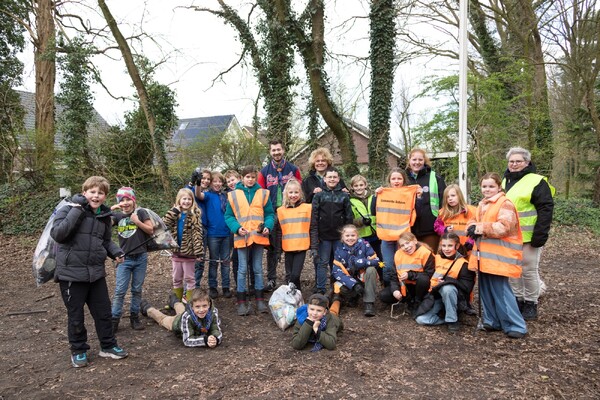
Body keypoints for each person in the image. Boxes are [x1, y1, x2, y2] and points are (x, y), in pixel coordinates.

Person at [50, 176, 128, 368]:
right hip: (71, 274)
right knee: (76, 315)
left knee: (103, 312)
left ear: (105, 196)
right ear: (84, 192)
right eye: (92, 192)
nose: (96, 196)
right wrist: (77, 210)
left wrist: (116, 252)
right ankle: (78, 350)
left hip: (96, 273)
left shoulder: (104, 215)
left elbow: (105, 240)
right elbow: (59, 234)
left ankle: (108, 346)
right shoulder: (67, 209)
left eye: (100, 193)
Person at [467, 172, 527, 339]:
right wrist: (472, 226)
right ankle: (492, 320)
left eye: (491, 186)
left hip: (500, 256)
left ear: (499, 187)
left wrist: (479, 228)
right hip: (484, 255)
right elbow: (472, 219)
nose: (487, 189)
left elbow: (504, 227)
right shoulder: (482, 204)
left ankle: (515, 325)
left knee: (501, 290)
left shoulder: (505, 203)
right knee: (486, 289)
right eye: (484, 186)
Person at [502, 147, 555, 320]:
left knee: (529, 270)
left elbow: (545, 208)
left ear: (527, 162)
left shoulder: (537, 181)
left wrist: (540, 235)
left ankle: (531, 303)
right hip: (509, 235)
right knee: (514, 270)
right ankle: (518, 299)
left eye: (518, 161)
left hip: (529, 236)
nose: (514, 164)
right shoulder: (504, 181)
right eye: (511, 161)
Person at [225, 165, 275, 316]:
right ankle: (241, 300)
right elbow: (228, 216)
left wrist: (268, 226)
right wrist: (237, 228)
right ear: (242, 178)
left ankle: (259, 299)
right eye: (248, 177)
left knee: (258, 268)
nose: (250, 179)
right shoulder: (233, 195)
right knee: (242, 269)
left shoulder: (263, 193)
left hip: (258, 237)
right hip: (242, 237)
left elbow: (270, 214)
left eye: (253, 177)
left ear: (256, 177)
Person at [258, 139, 302, 292]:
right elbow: (260, 194)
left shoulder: (293, 169)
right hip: (272, 213)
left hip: (290, 212)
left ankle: (291, 279)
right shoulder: (264, 172)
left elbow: (299, 189)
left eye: (278, 149)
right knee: (273, 249)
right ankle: (271, 279)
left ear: (283, 150)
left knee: (290, 246)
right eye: (273, 150)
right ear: (270, 152)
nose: (276, 152)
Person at [109, 187, 154, 333]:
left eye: (128, 199)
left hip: (140, 257)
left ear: (133, 200)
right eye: (122, 200)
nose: (125, 203)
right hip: (124, 259)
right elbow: (102, 224)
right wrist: (110, 210)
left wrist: (136, 221)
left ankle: (134, 317)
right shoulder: (116, 216)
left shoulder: (140, 212)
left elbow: (150, 229)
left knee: (136, 289)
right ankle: (114, 319)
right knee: (120, 291)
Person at [415, 233, 475, 332]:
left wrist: (447, 281)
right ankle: (445, 319)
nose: (446, 249)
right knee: (421, 320)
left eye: (450, 246)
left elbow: (467, 288)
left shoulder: (464, 264)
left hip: (455, 298)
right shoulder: (437, 258)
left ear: (457, 246)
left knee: (447, 288)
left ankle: (452, 320)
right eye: (444, 245)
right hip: (435, 296)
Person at [371, 168, 420, 286]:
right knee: (387, 264)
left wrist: (418, 196)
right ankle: (389, 288)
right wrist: (375, 196)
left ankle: (404, 288)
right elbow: (374, 212)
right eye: (393, 178)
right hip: (386, 236)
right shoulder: (382, 193)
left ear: (404, 180)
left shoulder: (409, 194)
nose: (396, 181)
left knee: (402, 264)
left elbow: (416, 211)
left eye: (399, 178)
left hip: (403, 237)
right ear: (389, 180)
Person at [309, 167, 354, 295]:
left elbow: (348, 217)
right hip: (324, 237)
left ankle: (337, 288)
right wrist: (315, 238)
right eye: (330, 177)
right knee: (322, 263)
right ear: (325, 179)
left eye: (335, 177)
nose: (332, 179)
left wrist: (348, 236)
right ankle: (321, 289)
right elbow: (314, 218)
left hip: (339, 237)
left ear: (338, 179)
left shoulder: (344, 196)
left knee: (338, 263)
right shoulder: (318, 195)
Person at [140, 289, 222, 348]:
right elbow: (187, 340)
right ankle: (147, 308)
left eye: (204, 306)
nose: (201, 310)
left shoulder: (213, 312)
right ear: (192, 307)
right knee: (162, 318)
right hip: (176, 323)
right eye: (197, 306)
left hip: (185, 315)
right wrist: (205, 340)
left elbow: (216, 329)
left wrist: (215, 339)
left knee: (181, 311)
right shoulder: (187, 316)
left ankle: (174, 300)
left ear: (209, 304)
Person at [163, 188, 205, 303]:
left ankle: (189, 300)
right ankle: (176, 300)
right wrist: (174, 211)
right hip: (176, 252)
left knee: (190, 278)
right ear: (179, 200)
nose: (186, 201)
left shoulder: (194, 215)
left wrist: (198, 252)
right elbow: (164, 224)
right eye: (184, 199)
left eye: (189, 199)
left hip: (189, 254)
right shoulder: (175, 214)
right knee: (176, 278)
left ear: (192, 201)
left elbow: (197, 234)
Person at [380, 232, 435, 317]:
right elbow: (394, 276)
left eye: (407, 243)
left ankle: (418, 301)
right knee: (383, 295)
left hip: (420, 287)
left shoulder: (425, 253)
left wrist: (409, 275)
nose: (406, 247)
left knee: (424, 279)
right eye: (402, 245)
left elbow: (429, 275)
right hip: (405, 287)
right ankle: (408, 300)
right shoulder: (398, 254)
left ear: (415, 241)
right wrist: (395, 290)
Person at [195, 172, 232, 299]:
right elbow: (198, 194)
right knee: (214, 261)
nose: (217, 184)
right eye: (215, 181)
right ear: (211, 183)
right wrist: (198, 183)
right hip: (212, 234)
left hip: (226, 233)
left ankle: (226, 286)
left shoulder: (225, 196)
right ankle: (213, 287)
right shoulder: (208, 196)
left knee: (226, 261)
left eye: (220, 181)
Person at [331, 225, 380, 317]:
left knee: (371, 269)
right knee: (339, 287)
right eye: (347, 236)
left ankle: (368, 303)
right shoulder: (339, 250)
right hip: (350, 279)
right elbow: (336, 271)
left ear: (357, 235)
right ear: (342, 237)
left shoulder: (365, 245)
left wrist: (361, 262)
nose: (350, 238)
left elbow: (377, 261)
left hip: (364, 277)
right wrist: (353, 284)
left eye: (353, 235)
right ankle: (353, 296)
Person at [405, 148, 447, 252]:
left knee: (430, 258)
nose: (417, 162)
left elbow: (444, 200)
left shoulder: (435, 177)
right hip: (409, 229)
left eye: (420, 160)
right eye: (414, 159)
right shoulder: (403, 178)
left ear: (424, 161)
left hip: (430, 228)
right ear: (409, 161)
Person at [275, 178, 311, 290]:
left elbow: (313, 227)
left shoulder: (308, 208)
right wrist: (278, 250)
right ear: (286, 194)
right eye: (291, 192)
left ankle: (296, 296)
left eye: (296, 192)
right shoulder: (281, 210)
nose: (293, 195)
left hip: (301, 246)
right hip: (288, 247)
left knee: (295, 275)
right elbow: (279, 232)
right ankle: (294, 298)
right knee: (290, 276)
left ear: (300, 193)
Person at [349, 174, 382, 266]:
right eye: (356, 186)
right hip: (362, 235)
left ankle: (383, 277)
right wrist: (361, 221)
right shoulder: (350, 201)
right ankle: (366, 278)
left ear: (365, 185)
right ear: (352, 187)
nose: (359, 188)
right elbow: (350, 220)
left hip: (375, 233)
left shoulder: (373, 197)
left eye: (361, 185)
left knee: (379, 257)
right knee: (364, 258)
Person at [433, 184, 477, 252]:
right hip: (449, 250)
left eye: (453, 195)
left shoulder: (472, 211)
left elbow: (476, 229)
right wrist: (445, 230)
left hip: (468, 248)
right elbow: (437, 227)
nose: (450, 198)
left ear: (459, 196)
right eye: (447, 197)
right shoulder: (443, 212)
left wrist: (471, 242)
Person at [188, 169, 211, 289]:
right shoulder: (190, 190)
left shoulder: (207, 194)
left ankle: (195, 286)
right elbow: (190, 193)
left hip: (205, 228)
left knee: (200, 261)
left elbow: (200, 195)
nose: (206, 181)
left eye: (208, 179)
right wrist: (194, 183)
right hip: (194, 228)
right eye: (204, 178)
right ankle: (189, 287)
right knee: (192, 260)